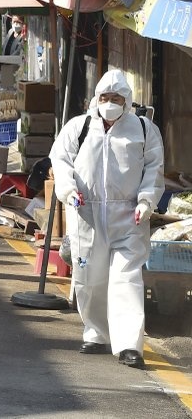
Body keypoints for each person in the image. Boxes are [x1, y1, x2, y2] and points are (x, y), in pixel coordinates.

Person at [49, 70, 164, 369]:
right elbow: (60, 161)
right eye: (105, 98)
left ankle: (128, 344)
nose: (110, 103)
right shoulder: (80, 126)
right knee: (90, 279)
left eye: (116, 98)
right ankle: (97, 333)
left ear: (127, 101)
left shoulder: (143, 129)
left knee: (127, 280)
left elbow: (154, 168)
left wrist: (146, 201)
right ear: (95, 99)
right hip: (86, 213)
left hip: (128, 215)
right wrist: (68, 190)